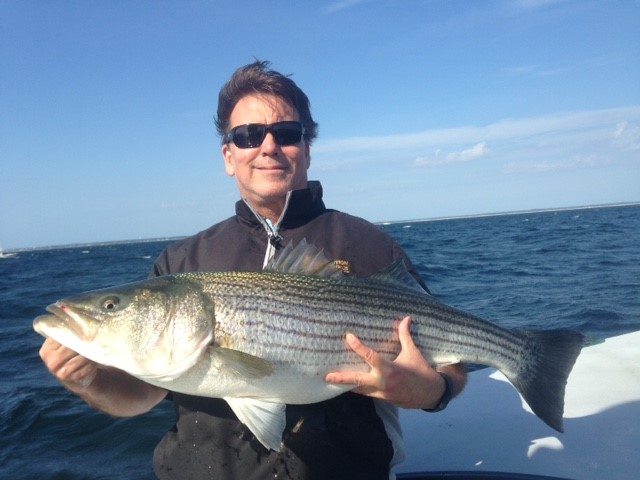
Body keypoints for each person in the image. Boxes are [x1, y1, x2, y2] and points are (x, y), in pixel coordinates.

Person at [39, 60, 467, 479]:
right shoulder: (181, 263)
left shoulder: (367, 243)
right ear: (228, 156)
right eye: (247, 136)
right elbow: (139, 397)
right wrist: (90, 381)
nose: (268, 146)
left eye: (286, 133)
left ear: (307, 151)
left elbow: (455, 358)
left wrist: (432, 391)